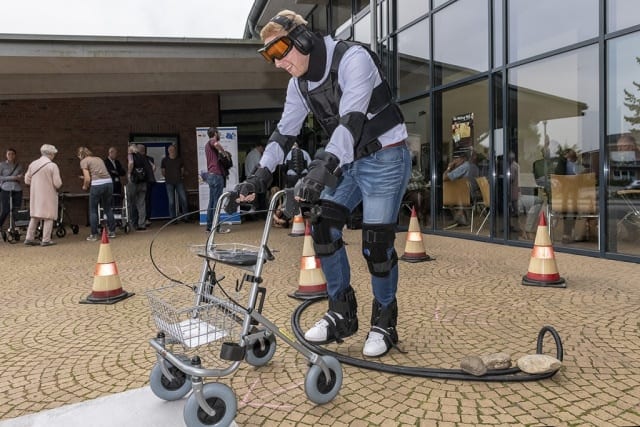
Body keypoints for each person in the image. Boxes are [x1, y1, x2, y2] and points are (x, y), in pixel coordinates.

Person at [235, 10, 411, 357]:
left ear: (302, 39)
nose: (277, 63)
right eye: (269, 57)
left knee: (376, 245)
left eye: (280, 51)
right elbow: (284, 132)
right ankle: (341, 314)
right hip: (348, 159)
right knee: (323, 224)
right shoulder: (298, 84)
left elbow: (351, 121)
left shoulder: (353, 59)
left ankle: (384, 322)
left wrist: (321, 169)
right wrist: (260, 175)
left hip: (385, 157)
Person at [23, 144, 62, 246]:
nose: (54, 155)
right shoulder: (52, 166)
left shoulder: (33, 164)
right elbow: (57, 183)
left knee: (35, 216)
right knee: (49, 216)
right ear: (50, 154)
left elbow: (27, 180)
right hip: (48, 194)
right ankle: (46, 239)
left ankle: (29, 238)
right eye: (54, 153)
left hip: (35, 194)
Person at [78, 146, 116, 241]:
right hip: (109, 183)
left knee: (93, 210)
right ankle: (112, 232)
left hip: (97, 185)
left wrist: (85, 186)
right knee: (107, 208)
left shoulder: (83, 161)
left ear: (80, 155)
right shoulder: (98, 159)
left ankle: (94, 235)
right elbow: (99, 172)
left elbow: (87, 179)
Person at [443, 150, 476, 226]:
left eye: (455, 159)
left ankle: (458, 216)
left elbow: (444, 178)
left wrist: (449, 167)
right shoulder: (472, 165)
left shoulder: (464, 166)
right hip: (471, 194)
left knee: (443, 194)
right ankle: (461, 216)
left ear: (462, 159)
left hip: (466, 196)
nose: (453, 161)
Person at [204, 127, 227, 232]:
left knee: (212, 201)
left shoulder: (206, 145)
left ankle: (209, 226)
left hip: (210, 175)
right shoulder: (212, 141)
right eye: (218, 133)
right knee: (217, 202)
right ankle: (216, 227)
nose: (219, 135)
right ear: (215, 133)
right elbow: (216, 144)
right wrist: (224, 153)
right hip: (217, 175)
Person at [161, 144, 189, 222]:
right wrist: (168, 177)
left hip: (179, 182)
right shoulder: (164, 160)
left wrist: (180, 176)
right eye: (170, 150)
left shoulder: (180, 160)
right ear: (168, 151)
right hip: (169, 182)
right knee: (171, 201)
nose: (172, 151)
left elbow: (182, 170)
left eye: (173, 150)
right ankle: (172, 218)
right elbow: (163, 171)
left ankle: (185, 217)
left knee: (184, 199)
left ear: (175, 151)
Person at [0, 148, 24, 238]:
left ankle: (16, 228)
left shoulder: (19, 166)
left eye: (13, 154)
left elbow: (20, 176)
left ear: (15, 155)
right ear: (6, 155)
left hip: (17, 189)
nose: (11, 155)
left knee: (16, 210)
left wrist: (19, 177)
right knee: (5, 210)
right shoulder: (1, 165)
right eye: (9, 154)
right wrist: (12, 177)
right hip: (5, 189)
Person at [126, 144, 147, 231]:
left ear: (131, 149)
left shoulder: (130, 155)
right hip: (143, 182)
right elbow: (152, 167)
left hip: (134, 181)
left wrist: (129, 173)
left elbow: (131, 163)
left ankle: (131, 223)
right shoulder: (142, 156)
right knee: (141, 204)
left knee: (130, 202)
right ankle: (142, 224)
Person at [137, 144, 156, 226]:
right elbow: (153, 168)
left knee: (145, 200)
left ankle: (145, 218)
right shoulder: (147, 159)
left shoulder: (147, 159)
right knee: (144, 201)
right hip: (143, 182)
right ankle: (143, 219)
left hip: (145, 182)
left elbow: (153, 168)